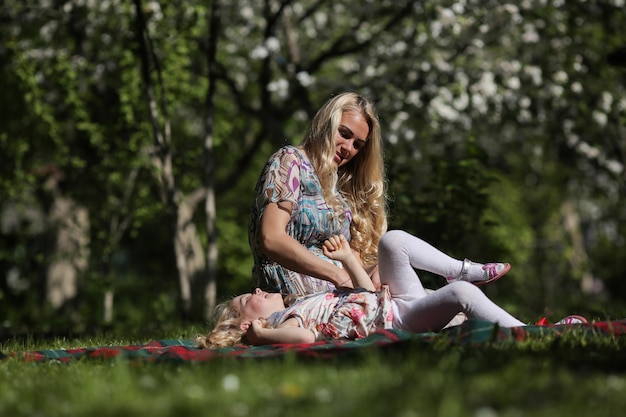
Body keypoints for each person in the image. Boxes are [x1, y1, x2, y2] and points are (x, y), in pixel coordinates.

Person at [198, 230, 587, 348]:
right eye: (248, 299)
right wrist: (265, 335)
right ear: (246, 324)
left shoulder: (303, 301)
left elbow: (364, 296)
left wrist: (350, 259)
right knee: (461, 300)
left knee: (392, 241)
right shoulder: (286, 319)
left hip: (388, 302)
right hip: (396, 318)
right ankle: (539, 334)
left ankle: (460, 269)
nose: (256, 289)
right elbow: (300, 337)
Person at [248, 92, 387, 296]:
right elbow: (271, 238)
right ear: (327, 123)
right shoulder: (289, 162)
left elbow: (351, 269)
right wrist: (338, 276)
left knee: (398, 256)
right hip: (292, 297)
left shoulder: (339, 189)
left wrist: (375, 272)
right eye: (344, 134)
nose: (348, 148)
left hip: (341, 295)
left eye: (357, 145)